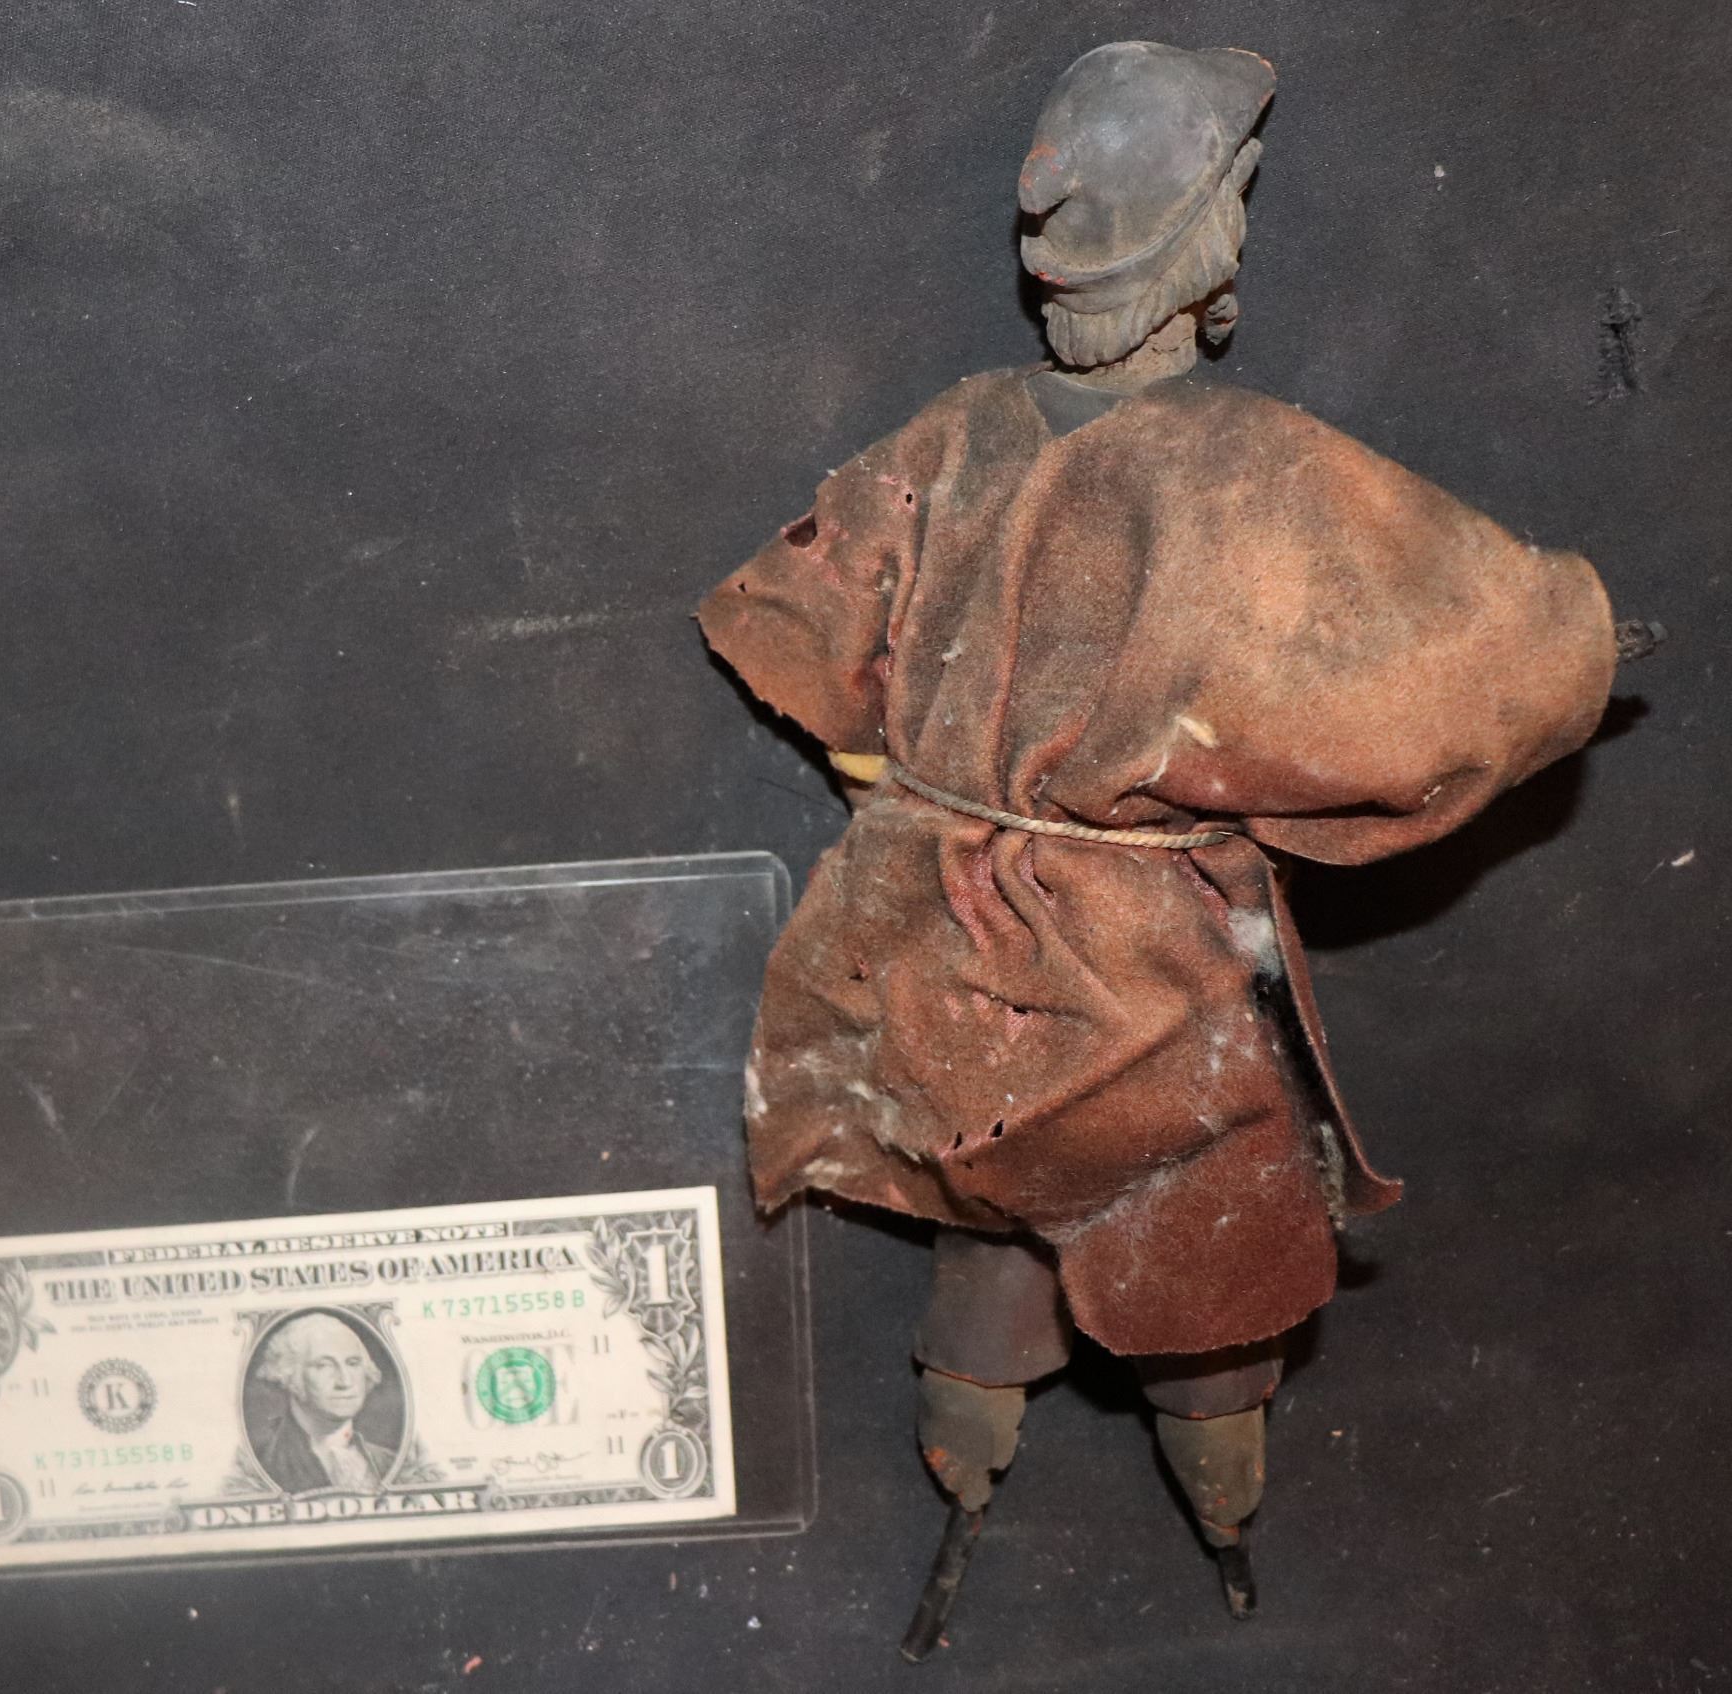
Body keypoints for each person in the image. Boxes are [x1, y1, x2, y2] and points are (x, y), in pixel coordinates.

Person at [699, 40, 1659, 1656]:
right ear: (1208, 240)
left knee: (987, 1223)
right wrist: (1577, 642)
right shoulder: (1245, 469)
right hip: (1152, 971)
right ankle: (1224, 1507)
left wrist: (916, 794)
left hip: (952, 946)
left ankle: (965, 1491)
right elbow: (1432, 674)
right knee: (1209, 1242)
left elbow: (805, 614)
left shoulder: (959, 430)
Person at [251, 1311, 396, 1494]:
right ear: (289, 1374)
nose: (345, 1382)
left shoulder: (391, 1462)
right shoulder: (260, 1467)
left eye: (352, 1363)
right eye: (323, 1365)